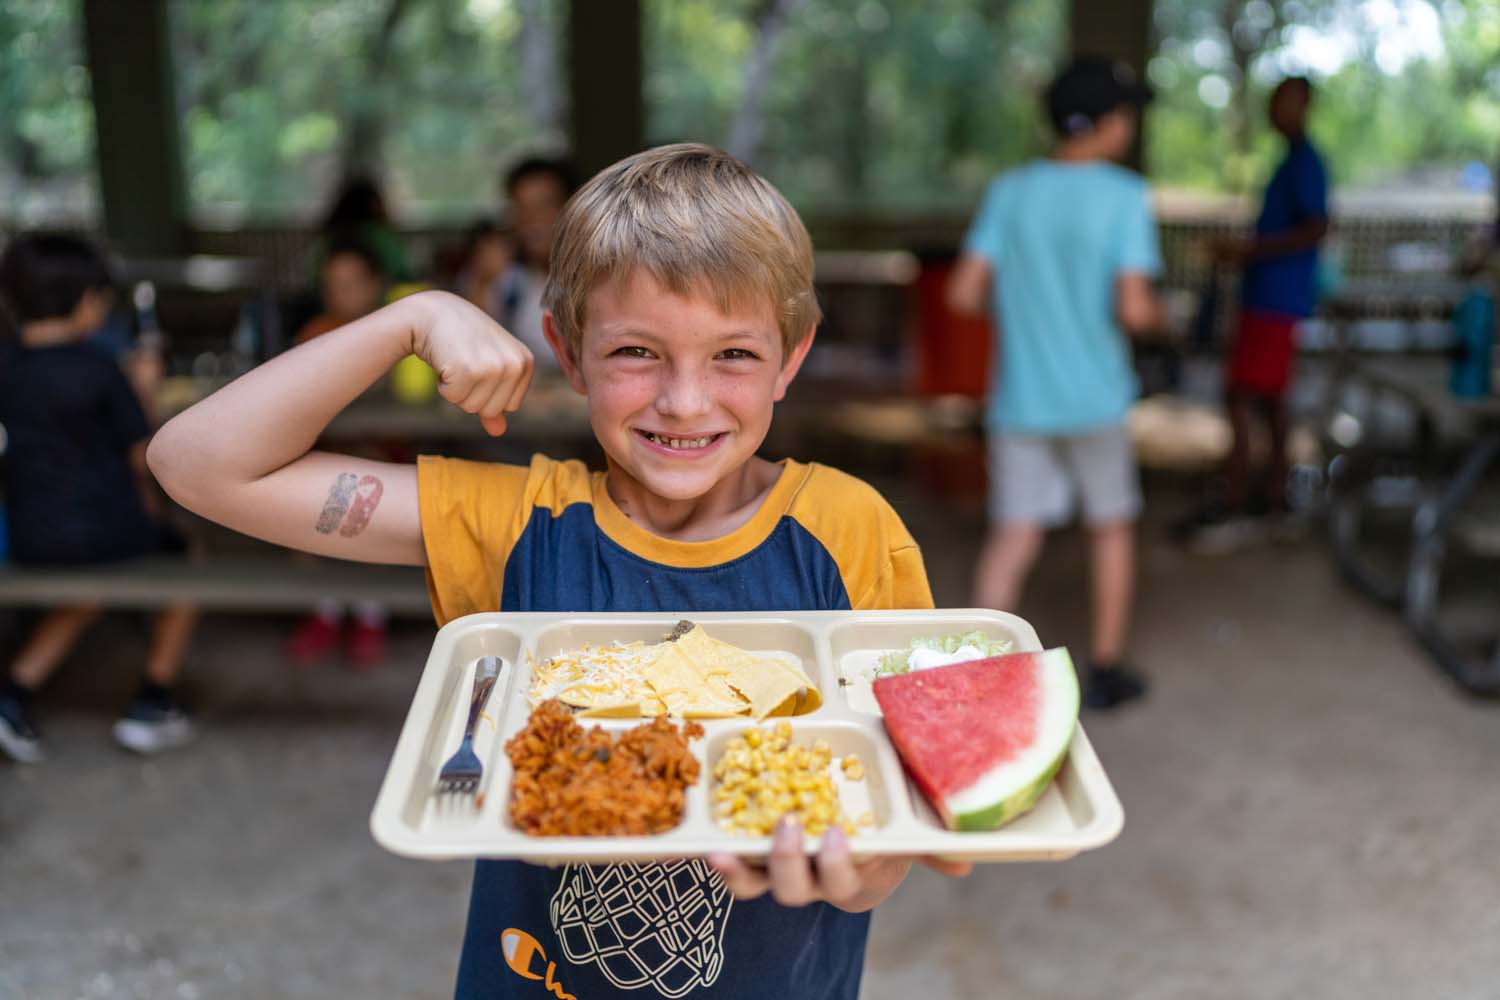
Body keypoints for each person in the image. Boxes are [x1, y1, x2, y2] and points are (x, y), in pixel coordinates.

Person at [148, 143, 970, 999]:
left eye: (733, 355)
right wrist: (410, 319)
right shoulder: (519, 526)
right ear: (567, 353)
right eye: (635, 353)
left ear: (792, 357)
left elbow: (890, 825)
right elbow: (195, 464)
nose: (684, 401)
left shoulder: (849, 532)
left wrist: (858, 875)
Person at [946, 57, 1164, 711]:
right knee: (1110, 527)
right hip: (1096, 400)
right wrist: (1163, 314)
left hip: (1022, 400)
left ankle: (975, 674)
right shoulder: (1125, 196)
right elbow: (1132, 308)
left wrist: (1026, 306)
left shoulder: (1010, 192)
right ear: (1109, 123)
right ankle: (1105, 668)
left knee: (1013, 534)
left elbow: (962, 294)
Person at [0, 234, 199, 763]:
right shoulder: (99, 368)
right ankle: (152, 702)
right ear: (87, 301)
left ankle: (13, 697)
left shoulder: (6, 365)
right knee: (187, 563)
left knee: (88, 588)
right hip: (105, 531)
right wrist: (145, 391)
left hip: (31, 533)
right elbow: (146, 457)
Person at [1186, 76, 1329, 550]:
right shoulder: (1289, 161)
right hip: (1265, 298)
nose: (1273, 110)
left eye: (1282, 102)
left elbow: (1315, 228)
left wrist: (1249, 251)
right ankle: (1272, 493)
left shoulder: (1306, 162)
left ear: (1303, 107)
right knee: (1269, 399)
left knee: (1242, 395)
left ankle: (1238, 499)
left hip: (1276, 300)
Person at [288, 233, 395, 666]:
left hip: (385, 455)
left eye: (351, 284)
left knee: (376, 506)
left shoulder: (396, 335)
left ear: (376, 285)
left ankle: (372, 614)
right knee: (299, 510)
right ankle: (326, 608)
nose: (341, 295)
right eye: (332, 285)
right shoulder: (314, 334)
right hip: (328, 453)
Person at [473, 155, 576, 365]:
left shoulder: (598, 282)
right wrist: (484, 281)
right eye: (520, 207)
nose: (530, 219)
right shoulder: (513, 280)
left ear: (572, 209)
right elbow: (472, 349)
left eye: (544, 205)